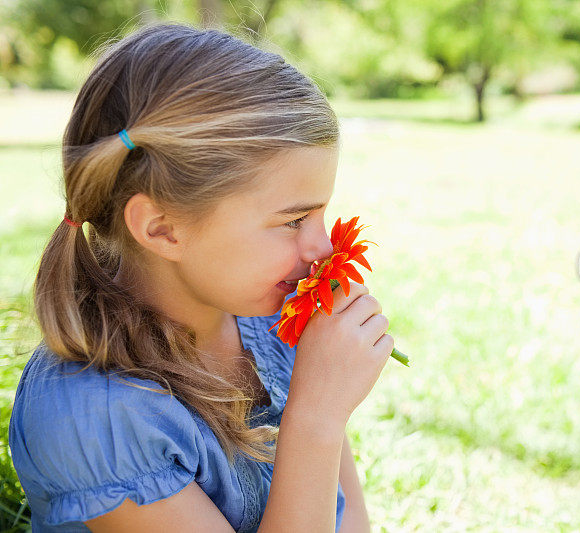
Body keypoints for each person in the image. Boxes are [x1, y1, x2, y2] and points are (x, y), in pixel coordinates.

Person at [7, 21, 393, 533]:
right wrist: (315, 419)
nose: (322, 249)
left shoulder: (269, 321)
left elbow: (349, 521)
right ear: (163, 229)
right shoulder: (97, 416)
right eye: (294, 220)